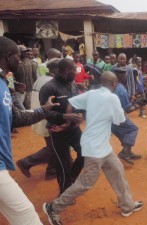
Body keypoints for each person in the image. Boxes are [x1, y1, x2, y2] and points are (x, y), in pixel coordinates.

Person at [43, 72, 144, 225]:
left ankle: (127, 205)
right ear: (114, 83)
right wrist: (129, 108)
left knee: (117, 171)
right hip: (95, 149)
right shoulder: (112, 98)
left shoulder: (91, 94)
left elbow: (71, 102)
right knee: (86, 183)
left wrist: (68, 121)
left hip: (101, 146)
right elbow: (120, 121)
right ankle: (53, 207)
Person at [0, 36, 59, 225]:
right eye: (19, 56)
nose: (22, 60)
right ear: (9, 56)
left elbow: (16, 117)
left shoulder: (3, 83)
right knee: (28, 218)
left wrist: (44, 110)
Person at [39, 58, 84, 195]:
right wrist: (65, 117)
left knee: (86, 152)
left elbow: (76, 103)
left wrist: (78, 116)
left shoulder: (72, 84)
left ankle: (70, 179)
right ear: (66, 70)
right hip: (57, 131)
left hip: (73, 128)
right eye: (74, 70)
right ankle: (64, 192)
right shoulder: (49, 88)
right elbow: (45, 113)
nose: (77, 72)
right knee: (63, 162)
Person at [111, 67, 141, 165]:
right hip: (118, 117)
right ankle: (124, 153)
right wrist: (137, 105)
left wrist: (131, 101)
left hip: (110, 118)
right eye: (124, 75)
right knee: (133, 129)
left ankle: (128, 152)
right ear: (119, 76)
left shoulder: (112, 86)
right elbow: (126, 108)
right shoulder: (120, 88)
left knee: (125, 133)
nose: (126, 77)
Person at [14, 45, 38, 109]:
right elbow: (11, 76)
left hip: (29, 88)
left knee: (29, 106)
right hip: (19, 90)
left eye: (25, 51)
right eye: (23, 51)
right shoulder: (15, 62)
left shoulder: (30, 62)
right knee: (19, 108)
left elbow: (34, 75)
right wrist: (16, 86)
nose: (25, 53)